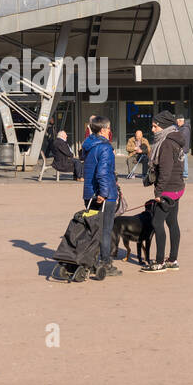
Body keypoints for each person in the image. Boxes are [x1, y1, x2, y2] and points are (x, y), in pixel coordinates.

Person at [142, 110, 185, 272]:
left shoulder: (166, 143)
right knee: (172, 222)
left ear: (163, 127)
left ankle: (159, 262)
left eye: (155, 126)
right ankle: (172, 260)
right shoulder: (174, 139)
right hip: (177, 187)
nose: (153, 130)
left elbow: (165, 171)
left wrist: (158, 193)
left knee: (157, 222)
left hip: (168, 189)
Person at [81, 115, 121, 279]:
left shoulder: (89, 145)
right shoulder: (105, 147)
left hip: (89, 193)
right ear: (104, 130)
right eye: (109, 128)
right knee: (105, 230)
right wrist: (104, 193)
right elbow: (103, 173)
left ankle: (91, 260)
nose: (110, 131)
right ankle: (105, 262)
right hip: (103, 195)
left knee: (93, 230)